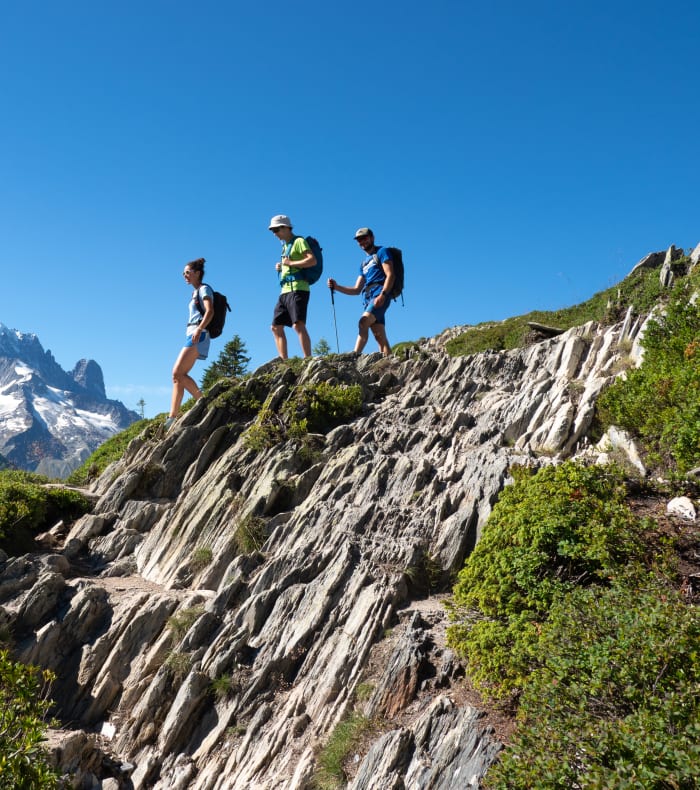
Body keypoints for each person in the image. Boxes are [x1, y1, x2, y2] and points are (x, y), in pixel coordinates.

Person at [327, 227, 394, 356]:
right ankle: (391, 364)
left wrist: (383, 294)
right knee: (380, 338)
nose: (362, 242)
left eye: (364, 238)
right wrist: (337, 286)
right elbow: (357, 289)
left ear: (372, 238)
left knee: (363, 322)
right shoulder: (363, 264)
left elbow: (390, 274)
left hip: (379, 294)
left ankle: (354, 356)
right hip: (368, 298)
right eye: (359, 240)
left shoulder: (382, 252)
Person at [165, 258, 214, 431]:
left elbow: (210, 311)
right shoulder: (195, 292)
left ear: (197, 273)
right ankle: (172, 417)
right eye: (183, 273)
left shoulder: (204, 289)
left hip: (198, 334)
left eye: (187, 272)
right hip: (193, 333)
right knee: (177, 377)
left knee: (177, 372)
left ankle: (203, 402)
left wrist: (200, 329)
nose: (185, 276)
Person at [269, 214, 316, 359]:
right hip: (284, 290)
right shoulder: (285, 246)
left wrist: (290, 264)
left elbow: (312, 260)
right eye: (273, 231)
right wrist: (281, 267)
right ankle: (284, 361)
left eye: (276, 230)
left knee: (298, 324)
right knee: (276, 327)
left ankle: (308, 359)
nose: (275, 233)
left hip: (298, 288)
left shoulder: (299, 241)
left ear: (286, 227)